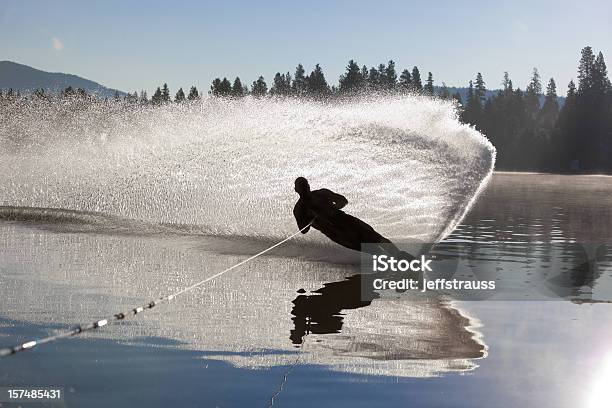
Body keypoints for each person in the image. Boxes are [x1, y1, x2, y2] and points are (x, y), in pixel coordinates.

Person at [293, 177, 408, 257]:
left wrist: (333, 209)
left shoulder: (322, 194)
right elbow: (303, 231)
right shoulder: (299, 210)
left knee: (376, 238)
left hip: (346, 220)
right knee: (372, 250)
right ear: (296, 190)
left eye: (305, 185)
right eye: (301, 187)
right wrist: (309, 218)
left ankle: (400, 256)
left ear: (308, 185)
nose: (304, 189)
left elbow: (343, 200)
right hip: (336, 233)